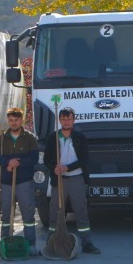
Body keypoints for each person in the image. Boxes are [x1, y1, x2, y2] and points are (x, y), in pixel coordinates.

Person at [44, 107, 100, 254]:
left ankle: (87, 243)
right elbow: (46, 159)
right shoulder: (53, 138)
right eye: (63, 119)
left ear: (73, 120)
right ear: (60, 120)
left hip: (76, 179)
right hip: (59, 180)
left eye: (69, 119)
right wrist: (54, 168)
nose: (66, 121)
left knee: (81, 211)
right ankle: (51, 241)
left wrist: (67, 168)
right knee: (55, 211)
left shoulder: (80, 137)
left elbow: (84, 159)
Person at [0, 108, 40, 255]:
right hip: (6, 181)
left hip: (24, 180)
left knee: (28, 212)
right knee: (6, 213)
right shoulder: (2, 138)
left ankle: (31, 244)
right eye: (11, 120)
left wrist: (19, 163)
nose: (13, 123)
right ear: (8, 121)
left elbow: (34, 158)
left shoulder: (29, 137)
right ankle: (5, 242)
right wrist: (8, 162)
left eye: (16, 120)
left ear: (21, 120)